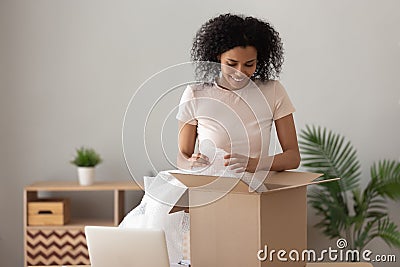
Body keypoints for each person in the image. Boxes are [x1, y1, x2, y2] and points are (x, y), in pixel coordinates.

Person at [176, 13, 300, 175]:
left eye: (249, 64)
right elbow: (182, 158)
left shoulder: (273, 91)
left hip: (254, 190)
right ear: (218, 57)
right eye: (232, 63)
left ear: (259, 60)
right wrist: (192, 163)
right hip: (209, 188)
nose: (240, 72)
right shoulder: (195, 94)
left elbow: (293, 157)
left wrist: (255, 164)